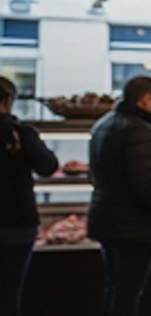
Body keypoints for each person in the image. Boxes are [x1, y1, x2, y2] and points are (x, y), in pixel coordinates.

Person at [88, 75, 151, 316]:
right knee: (128, 293)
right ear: (145, 100)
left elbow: (95, 175)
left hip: (106, 218)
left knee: (114, 287)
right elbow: (146, 182)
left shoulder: (103, 124)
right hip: (134, 225)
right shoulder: (138, 130)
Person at [0, 76, 58, 316]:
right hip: (18, 223)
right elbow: (48, 166)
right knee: (9, 295)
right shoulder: (20, 134)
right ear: (7, 101)